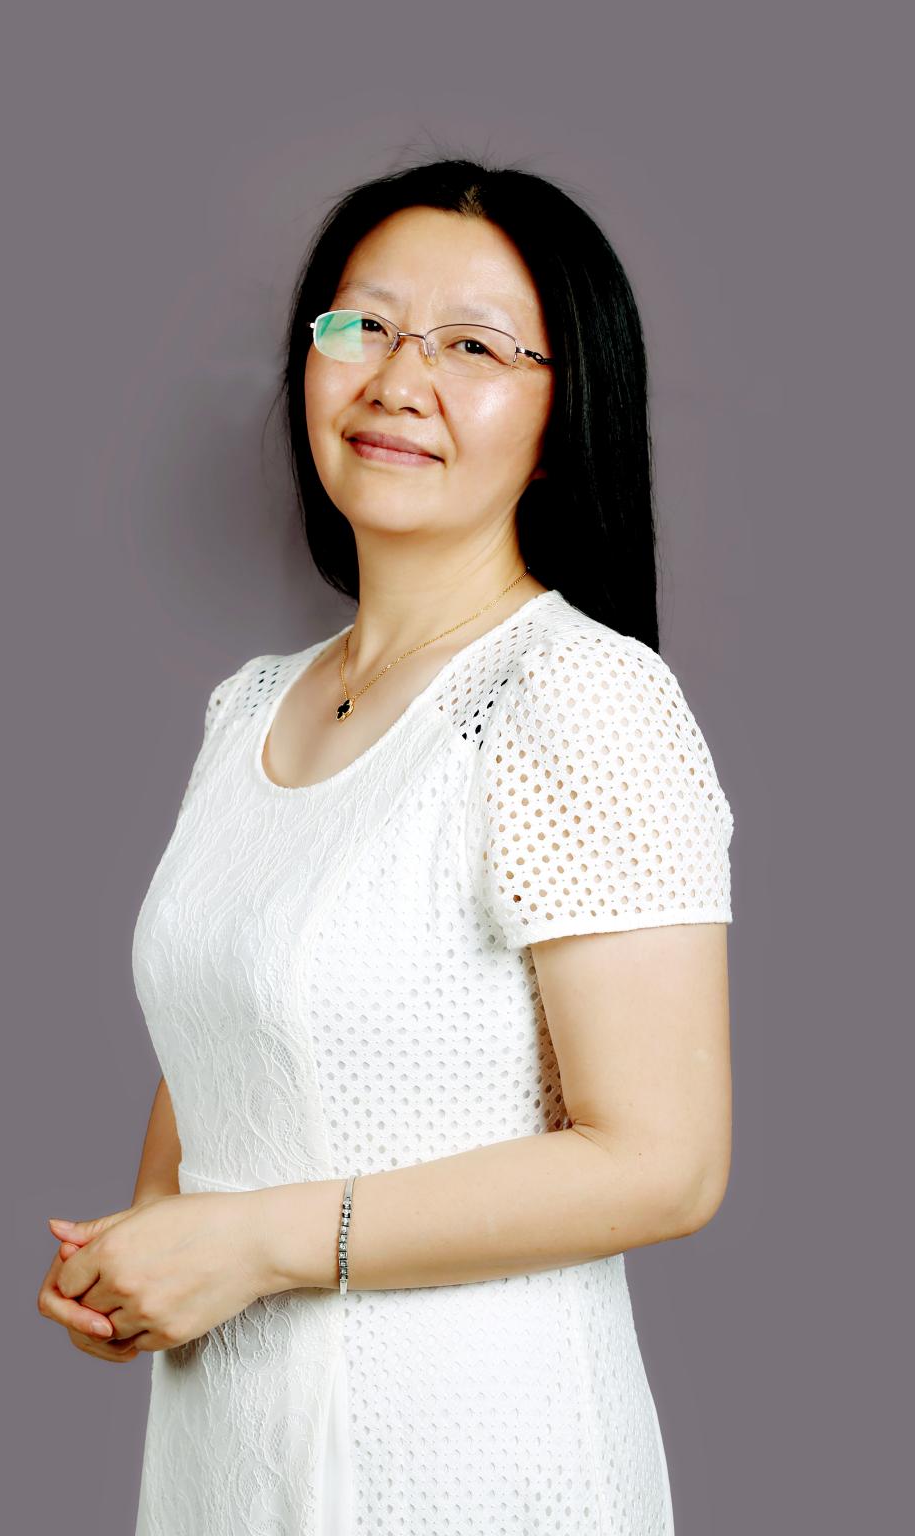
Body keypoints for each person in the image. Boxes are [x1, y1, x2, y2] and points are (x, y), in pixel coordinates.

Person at [37, 154, 735, 1535]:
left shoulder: (574, 697)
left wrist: (250, 1242)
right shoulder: (250, 708)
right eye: (363, 324)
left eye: (473, 346)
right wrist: (143, 1258)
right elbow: (234, 1037)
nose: (399, 379)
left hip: (468, 1464)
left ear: (565, 415)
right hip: (227, 1465)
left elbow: (665, 1160)